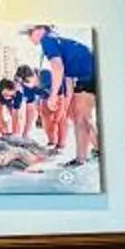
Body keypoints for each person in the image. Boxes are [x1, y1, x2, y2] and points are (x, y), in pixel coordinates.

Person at [27, 24, 97, 166]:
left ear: (41, 29)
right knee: (77, 115)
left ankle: (81, 159)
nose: (29, 36)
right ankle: (97, 149)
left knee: (81, 118)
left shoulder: (47, 40)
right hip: (88, 73)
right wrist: (66, 107)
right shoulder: (60, 42)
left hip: (88, 73)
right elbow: (68, 80)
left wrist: (52, 96)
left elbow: (57, 68)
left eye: (30, 32)